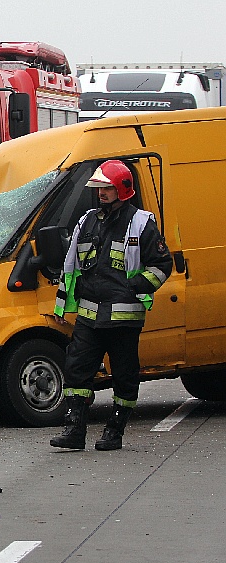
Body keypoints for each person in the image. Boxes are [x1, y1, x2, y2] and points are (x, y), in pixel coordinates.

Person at [50, 159, 173, 451]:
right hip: (89, 316)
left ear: (122, 189)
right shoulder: (87, 221)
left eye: (106, 188)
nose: (101, 193)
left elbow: (162, 265)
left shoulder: (141, 223)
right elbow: (72, 265)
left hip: (123, 318)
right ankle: (74, 430)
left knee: (124, 375)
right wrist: (63, 304)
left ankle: (114, 431)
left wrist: (134, 287)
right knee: (76, 370)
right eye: (98, 188)